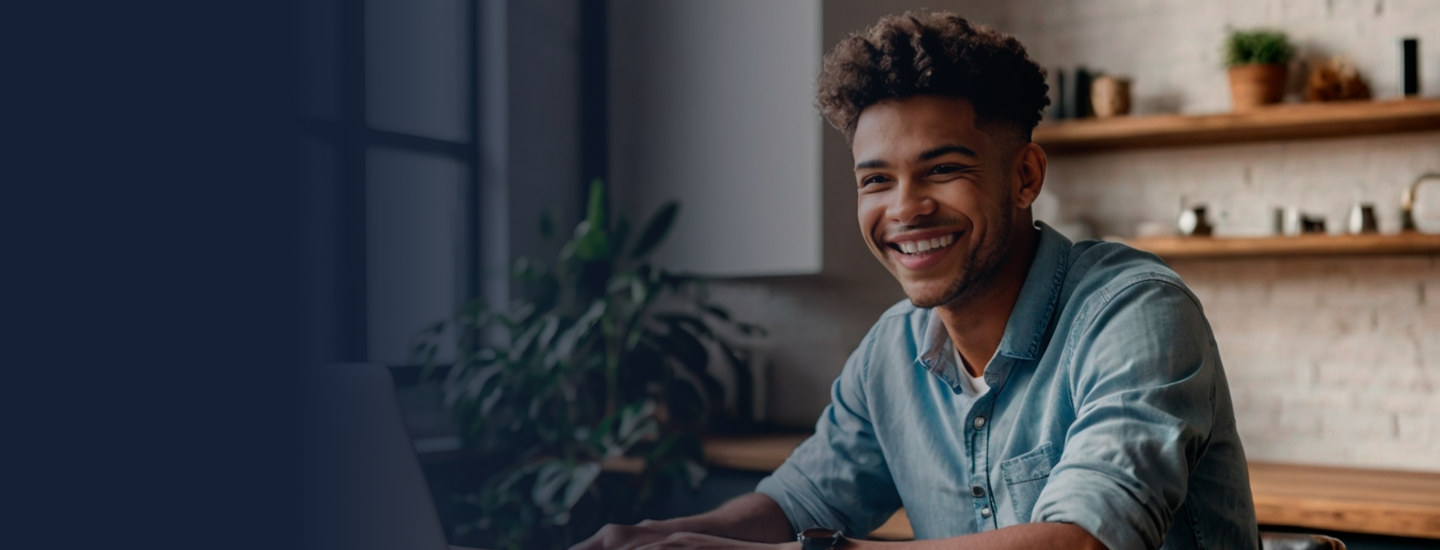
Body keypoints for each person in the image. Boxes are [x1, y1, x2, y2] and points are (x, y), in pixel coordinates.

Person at [574, 11, 1257, 550]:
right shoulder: (892, 351)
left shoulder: (1134, 311)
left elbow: (1079, 542)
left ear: (1025, 177)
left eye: (942, 169)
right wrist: (654, 538)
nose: (903, 209)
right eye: (876, 180)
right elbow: (797, 505)